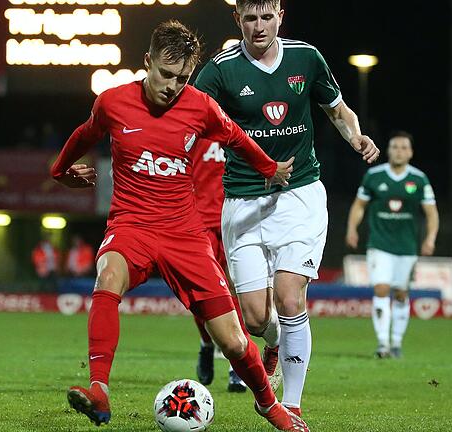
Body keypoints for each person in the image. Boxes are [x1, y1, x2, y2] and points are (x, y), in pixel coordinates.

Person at [51, 20, 308, 431]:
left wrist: (270, 168)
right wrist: (60, 170)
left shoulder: (200, 106)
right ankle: (99, 389)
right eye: (166, 75)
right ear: (148, 62)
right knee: (107, 276)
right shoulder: (113, 102)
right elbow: (86, 133)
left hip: (184, 234)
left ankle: (269, 405)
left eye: (183, 78)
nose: (173, 86)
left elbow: (237, 137)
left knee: (235, 340)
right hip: (131, 224)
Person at [194, 0, 380, 417]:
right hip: (242, 201)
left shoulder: (306, 58)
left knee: (290, 295)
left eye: (266, 17)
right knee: (257, 318)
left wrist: (356, 137)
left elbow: (336, 109)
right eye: (250, 18)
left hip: (299, 196)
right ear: (236, 19)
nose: (259, 27)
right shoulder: (221, 69)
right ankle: (273, 342)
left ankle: (290, 406)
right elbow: (186, 116)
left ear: (281, 14)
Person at [345, 130, 439, 359]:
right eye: (395, 147)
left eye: (403, 147)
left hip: (407, 247)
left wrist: (430, 238)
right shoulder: (374, 176)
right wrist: (352, 229)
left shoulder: (418, 179)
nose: (399, 151)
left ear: (411, 152)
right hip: (379, 244)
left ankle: (396, 342)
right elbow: (359, 206)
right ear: (388, 150)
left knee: (401, 293)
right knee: (381, 289)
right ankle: (383, 344)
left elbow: (431, 213)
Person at [190, 138, 249, 393]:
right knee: (201, 294)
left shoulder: (239, 129)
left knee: (238, 292)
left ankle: (237, 367)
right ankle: (206, 343)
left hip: (236, 221)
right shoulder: (191, 130)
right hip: (198, 223)